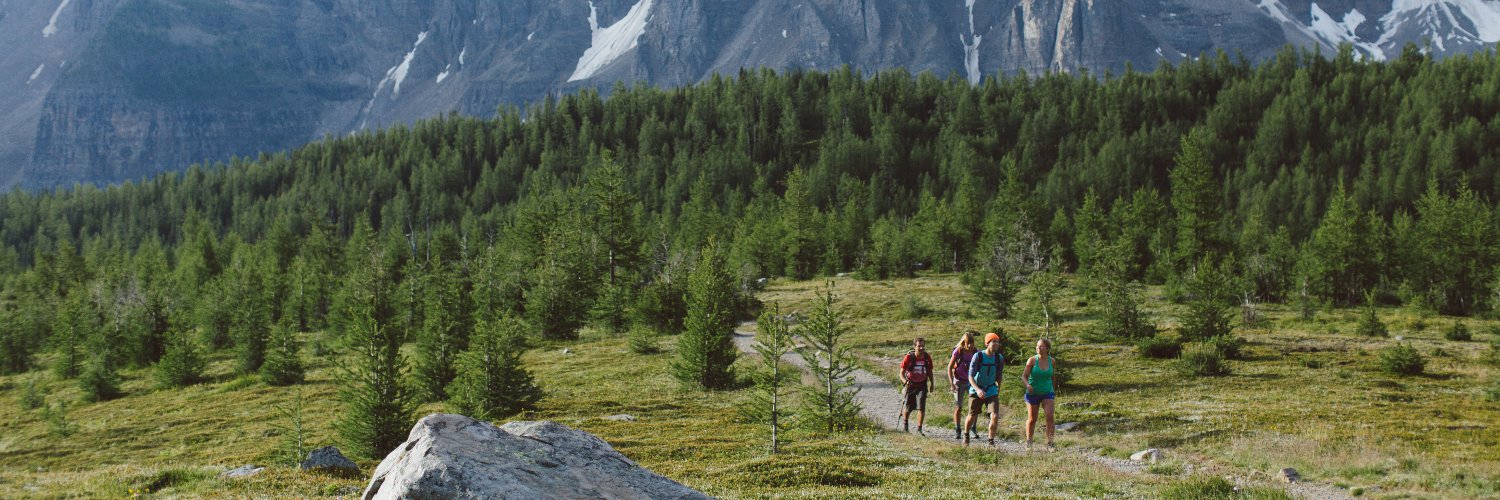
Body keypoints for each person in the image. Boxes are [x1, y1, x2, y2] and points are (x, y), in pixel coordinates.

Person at [964, 332, 1005, 446]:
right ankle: (966, 435)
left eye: (997, 341)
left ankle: (991, 441)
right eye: (993, 341)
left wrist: (998, 388)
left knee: (995, 415)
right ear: (987, 343)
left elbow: (999, 375)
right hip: (976, 389)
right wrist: (977, 390)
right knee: (972, 415)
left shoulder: (999, 358)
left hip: (991, 389)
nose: (996, 344)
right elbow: (970, 376)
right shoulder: (978, 356)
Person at [1023, 338, 1057, 451]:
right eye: (1037, 346)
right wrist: (1028, 385)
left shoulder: (1052, 361)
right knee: (1032, 418)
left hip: (1048, 392)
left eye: (1041, 346)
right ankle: (1029, 441)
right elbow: (1024, 376)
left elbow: (1052, 376)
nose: (1038, 348)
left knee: (1049, 416)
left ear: (1047, 348)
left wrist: (1053, 389)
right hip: (1033, 393)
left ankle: (1050, 443)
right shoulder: (1032, 360)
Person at [899, 337, 934, 434]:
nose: (921, 348)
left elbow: (930, 371)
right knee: (909, 407)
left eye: (923, 346)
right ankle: (905, 425)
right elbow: (901, 373)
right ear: (915, 347)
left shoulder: (927, 357)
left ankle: (919, 429)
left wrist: (932, 384)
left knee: (921, 407)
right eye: (919, 346)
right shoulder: (909, 357)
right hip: (910, 385)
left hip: (922, 384)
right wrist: (905, 382)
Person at [948, 330, 979, 440]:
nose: (970, 345)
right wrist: (952, 384)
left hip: (971, 382)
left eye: (972, 343)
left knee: (975, 406)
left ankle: (973, 428)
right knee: (959, 406)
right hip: (959, 381)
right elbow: (950, 367)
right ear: (964, 342)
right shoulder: (958, 351)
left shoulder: (976, 352)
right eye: (968, 343)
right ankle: (958, 429)